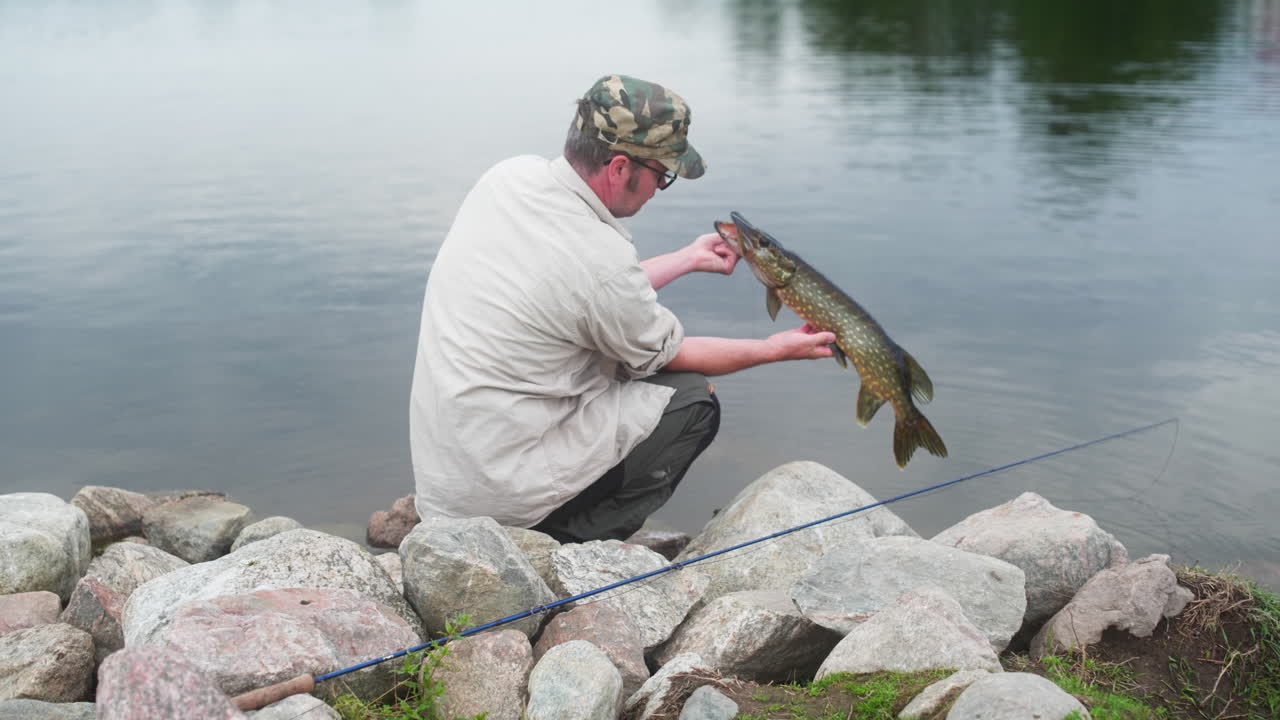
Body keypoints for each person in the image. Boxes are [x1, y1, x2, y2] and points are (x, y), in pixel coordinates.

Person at [409, 74, 835, 544]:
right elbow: (652, 334)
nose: (658, 188)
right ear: (618, 169)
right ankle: (566, 543)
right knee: (694, 399)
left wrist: (687, 258)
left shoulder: (509, 179)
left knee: (621, 366)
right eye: (661, 174)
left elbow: (583, 293)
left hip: (447, 489)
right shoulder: (600, 263)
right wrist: (775, 349)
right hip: (500, 502)